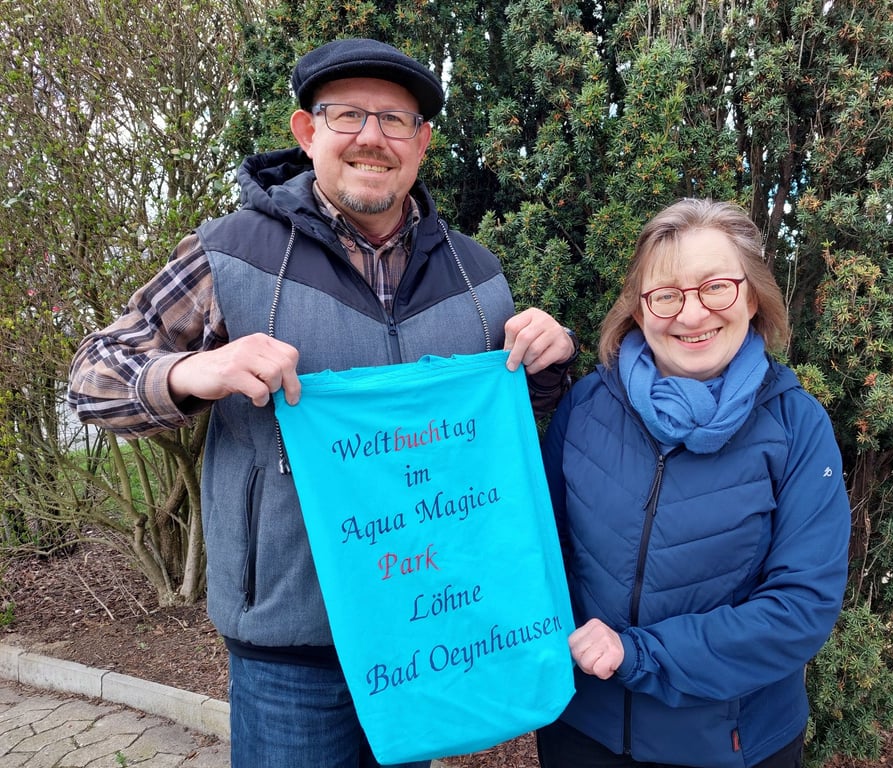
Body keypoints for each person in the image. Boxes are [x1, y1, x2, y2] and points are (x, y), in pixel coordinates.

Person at [67, 38, 578, 768]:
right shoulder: (229, 254)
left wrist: (548, 363)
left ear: (422, 144)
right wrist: (195, 371)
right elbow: (93, 375)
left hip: (427, 634)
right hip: (291, 653)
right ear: (307, 132)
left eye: (395, 120)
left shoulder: (477, 275)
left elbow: (498, 436)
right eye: (347, 115)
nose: (372, 137)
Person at [536, 199, 851, 768]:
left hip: (733, 746)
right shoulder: (585, 406)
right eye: (667, 294)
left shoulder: (797, 427)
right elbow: (540, 549)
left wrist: (638, 654)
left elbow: (800, 607)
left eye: (716, 288)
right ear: (638, 308)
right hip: (583, 731)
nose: (691, 314)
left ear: (752, 296)